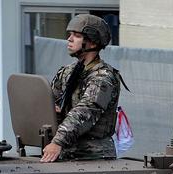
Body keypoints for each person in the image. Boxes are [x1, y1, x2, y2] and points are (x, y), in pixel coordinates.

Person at [41, 14, 121, 162]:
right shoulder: (68, 72)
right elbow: (51, 103)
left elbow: (85, 111)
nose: (69, 39)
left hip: (94, 157)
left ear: (92, 43)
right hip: (66, 153)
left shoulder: (103, 78)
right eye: (70, 34)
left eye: (77, 36)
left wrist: (58, 141)